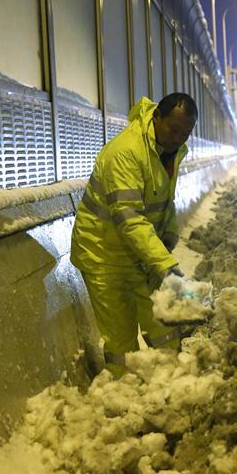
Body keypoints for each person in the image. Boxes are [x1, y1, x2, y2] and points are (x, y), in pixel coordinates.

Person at [71, 93, 197, 376]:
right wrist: (164, 264)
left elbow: (163, 199)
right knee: (121, 340)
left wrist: (169, 232)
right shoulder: (126, 153)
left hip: (139, 253)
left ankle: (171, 384)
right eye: (173, 129)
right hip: (103, 255)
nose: (178, 137)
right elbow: (129, 217)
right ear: (155, 118)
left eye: (185, 133)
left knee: (163, 325)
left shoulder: (168, 149)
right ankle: (124, 398)